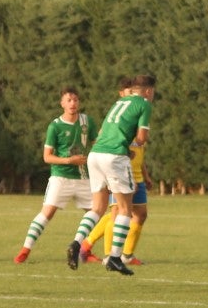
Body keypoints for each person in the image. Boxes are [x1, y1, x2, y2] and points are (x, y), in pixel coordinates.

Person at [66, 74, 155, 276]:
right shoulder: (144, 104)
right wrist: (133, 144)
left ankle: (76, 243)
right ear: (148, 91)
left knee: (98, 208)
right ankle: (114, 257)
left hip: (95, 155)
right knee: (125, 209)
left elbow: (107, 133)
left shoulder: (119, 103)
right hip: (114, 157)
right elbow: (141, 139)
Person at [14, 86, 93, 264]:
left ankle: (86, 250)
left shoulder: (87, 122)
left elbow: (97, 143)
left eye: (75, 100)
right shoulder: (55, 126)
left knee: (97, 213)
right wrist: (69, 160)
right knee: (47, 213)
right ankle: (25, 249)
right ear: (62, 103)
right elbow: (47, 157)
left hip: (83, 178)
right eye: (69, 100)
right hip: (61, 177)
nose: (73, 103)